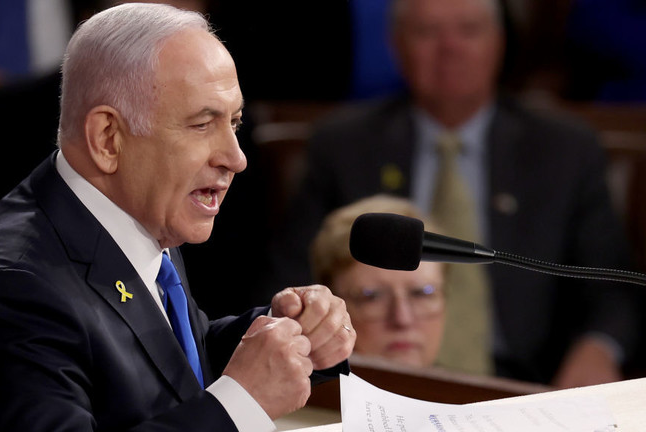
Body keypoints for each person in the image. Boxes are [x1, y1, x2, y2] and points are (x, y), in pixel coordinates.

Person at [0, 4, 355, 431]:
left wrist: (285, 335)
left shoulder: (128, 219)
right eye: (202, 124)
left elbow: (157, 362)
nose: (235, 158)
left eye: (233, 123)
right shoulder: (11, 291)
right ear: (108, 139)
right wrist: (242, 400)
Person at [270, 0, 642, 387]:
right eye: (427, 32)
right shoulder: (345, 146)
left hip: (526, 384)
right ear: (396, 44)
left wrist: (597, 350)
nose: (450, 47)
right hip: (375, 378)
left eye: (468, 30)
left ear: (499, 41)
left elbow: (611, 288)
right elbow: (287, 279)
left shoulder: (563, 148)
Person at [311, 195, 447, 368]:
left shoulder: (472, 393)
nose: (402, 319)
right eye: (372, 296)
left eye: (421, 293)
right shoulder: (304, 394)